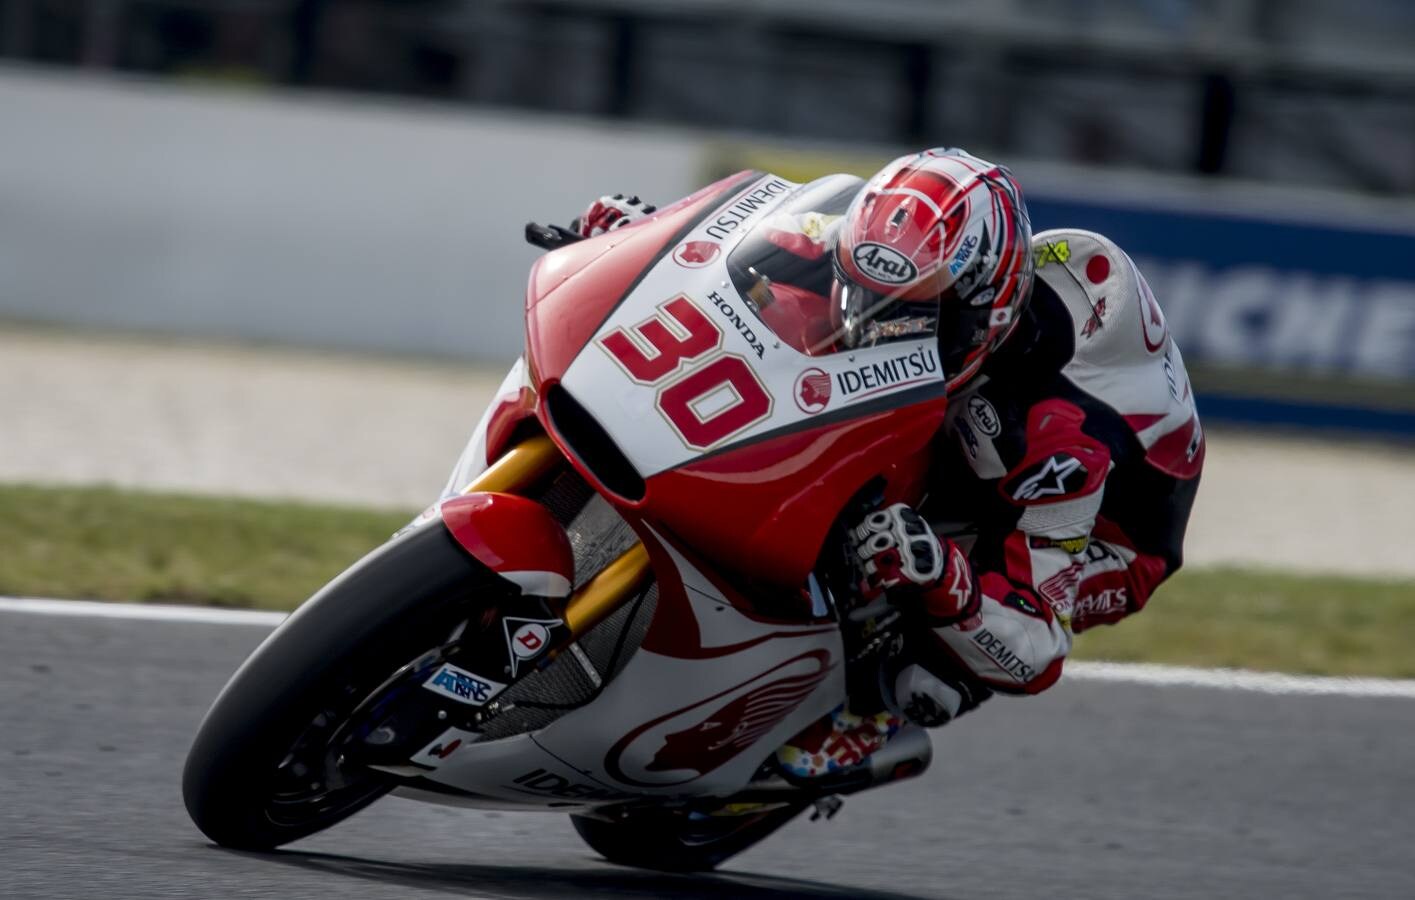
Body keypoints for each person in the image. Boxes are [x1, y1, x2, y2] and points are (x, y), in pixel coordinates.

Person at [572, 149, 1204, 770]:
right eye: (869, 299)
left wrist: (942, 575)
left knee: (925, 671)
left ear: (991, 312)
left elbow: (1036, 644)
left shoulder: (1055, 438)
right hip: (992, 403)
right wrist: (649, 237)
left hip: (1111, 536)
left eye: (920, 319)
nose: (883, 330)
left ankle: (865, 717)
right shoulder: (882, 252)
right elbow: (748, 244)